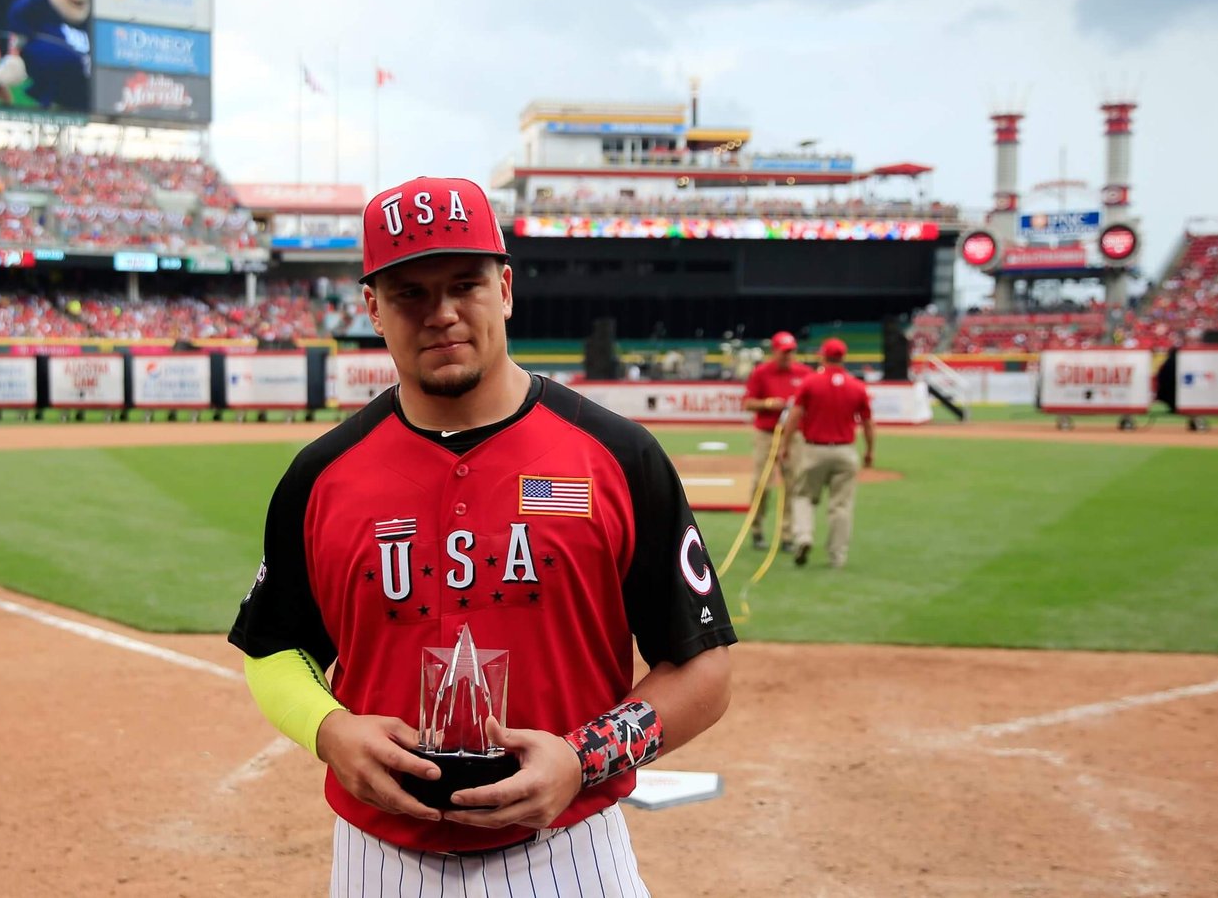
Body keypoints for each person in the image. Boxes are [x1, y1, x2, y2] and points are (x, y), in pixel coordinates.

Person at [230, 176, 735, 896]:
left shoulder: (618, 455)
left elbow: (704, 670)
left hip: (571, 853)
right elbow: (276, 645)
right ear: (372, 307)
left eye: (464, 283)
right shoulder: (321, 476)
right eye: (410, 292)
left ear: (504, 288)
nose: (441, 313)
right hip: (379, 861)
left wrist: (581, 757)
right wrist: (328, 730)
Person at [780, 337, 875, 569]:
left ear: (823, 356)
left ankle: (803, 537)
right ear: (844, 357)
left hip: (814, 449)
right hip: (845, 451)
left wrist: (785, 443)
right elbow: (868, 423)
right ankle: (837, 556)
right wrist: (870, 451)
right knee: (841, 506)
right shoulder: (857, 386)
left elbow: (795, 415)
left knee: (802, 496)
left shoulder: (810, 382)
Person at [741, 331, 811, 552]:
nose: (788, 356)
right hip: (766, 433)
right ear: (775, 351)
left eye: (791, 351)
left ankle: (788, 535)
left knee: (793, 484)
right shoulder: (761, 373)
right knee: (762, 483)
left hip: (794, 435)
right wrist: (770, 404)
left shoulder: (804, 373)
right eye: (784, 352)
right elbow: (748, 403)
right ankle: (757, 529)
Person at [7, 0, 92, 111]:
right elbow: (18, 18)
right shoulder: (39, 6)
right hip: (54, 96)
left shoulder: (94, 16)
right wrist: (14, 57)